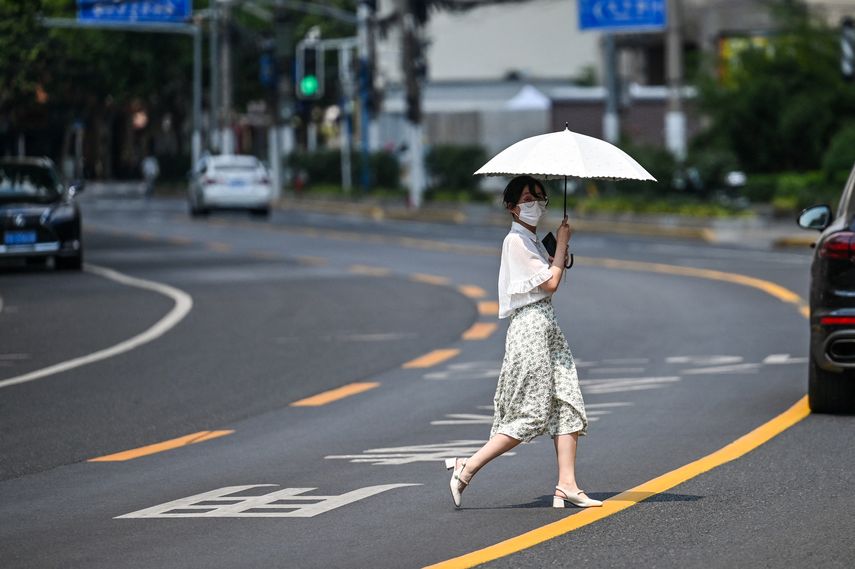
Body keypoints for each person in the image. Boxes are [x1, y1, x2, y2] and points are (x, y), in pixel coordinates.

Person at [443, 175, 602, 510]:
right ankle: (466, 468)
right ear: (512, 207)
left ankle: (567, 485)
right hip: (529, 327)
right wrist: (560, 244)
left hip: (546, 325)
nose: (536, 204)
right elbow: (551, 284)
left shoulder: (529, 241)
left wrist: (557, 251)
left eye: (540, 198)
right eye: (528, 198)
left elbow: (549, 278)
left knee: (567, 401)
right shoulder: (515, 242)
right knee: (531, 413)